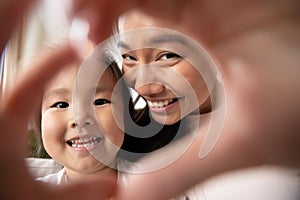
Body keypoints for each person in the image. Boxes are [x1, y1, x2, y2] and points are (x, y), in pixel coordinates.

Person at [70, 0, 300, 199]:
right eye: (129, 57)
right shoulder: (128, 137)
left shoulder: (278, 128)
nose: (144, 86)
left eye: (168, 56)